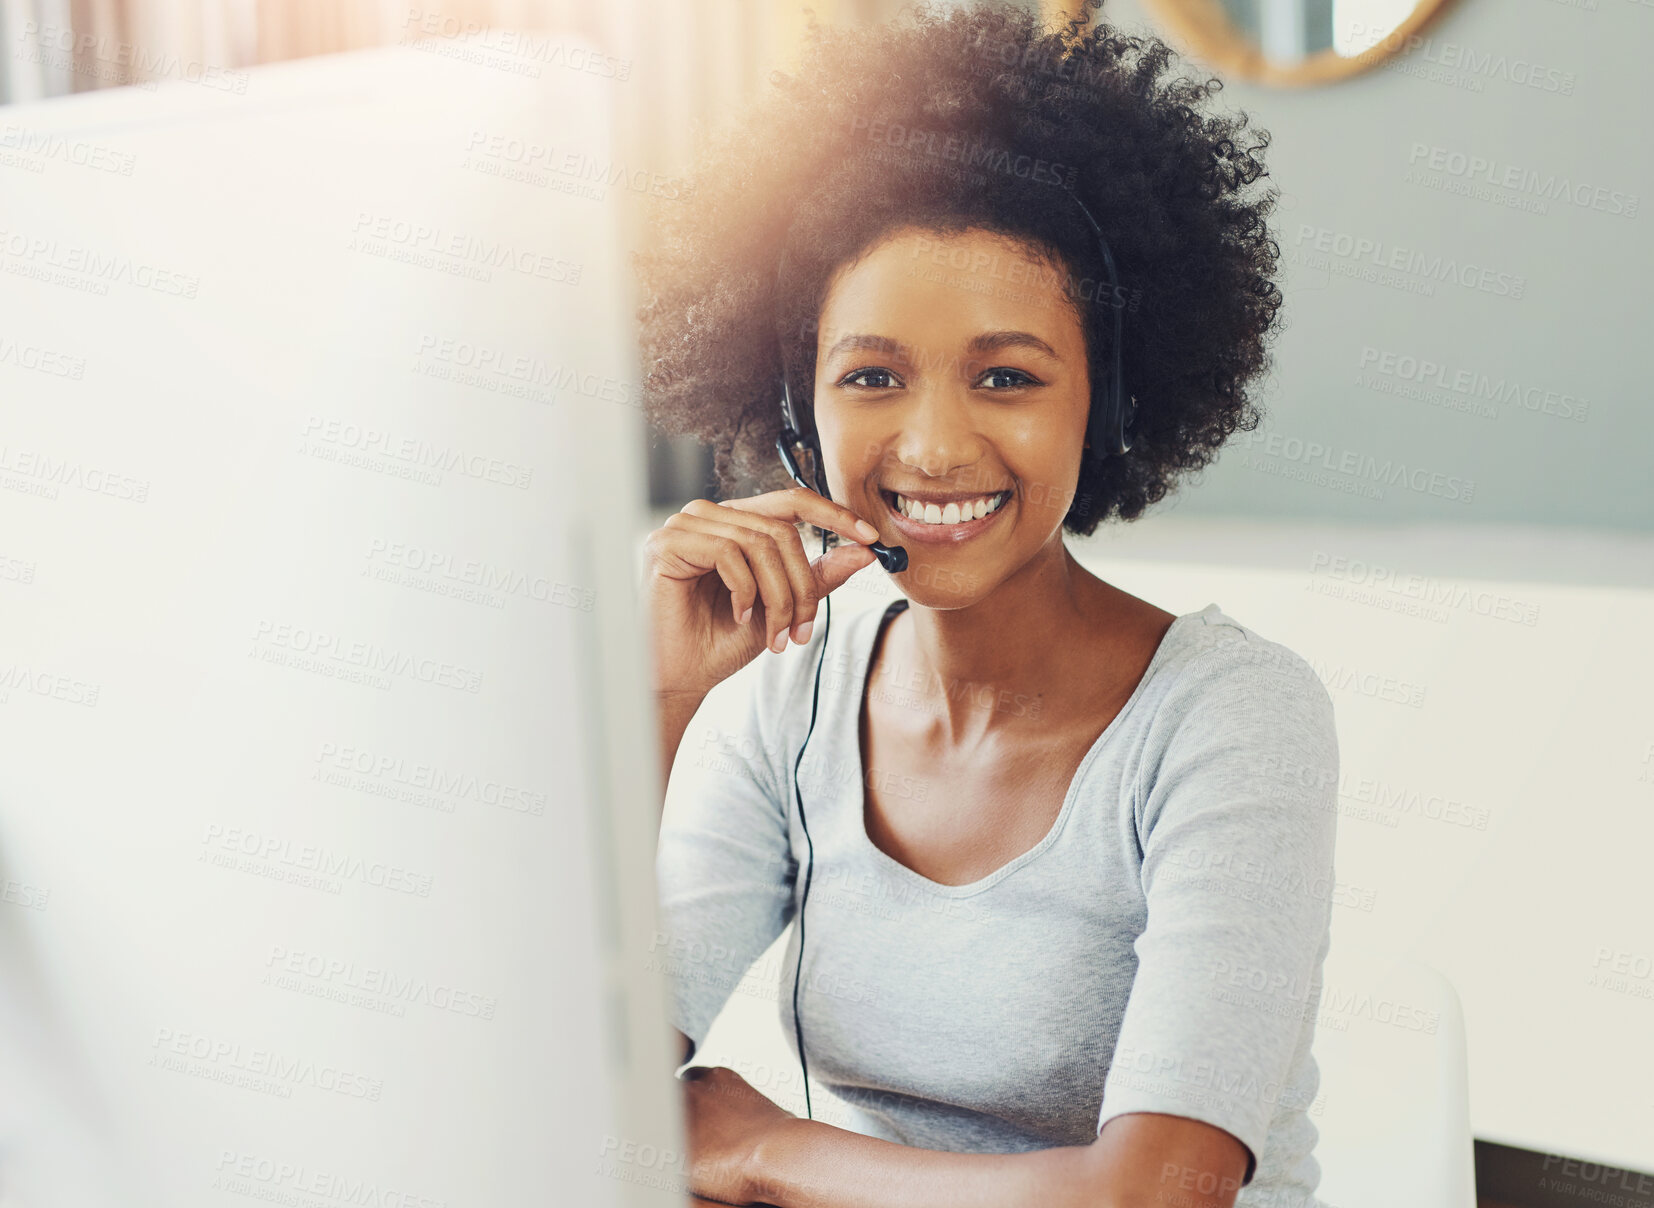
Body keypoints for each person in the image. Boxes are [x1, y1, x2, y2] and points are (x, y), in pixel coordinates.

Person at [634, 2, 1339, 1205]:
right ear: (796, 408)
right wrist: (661, 699)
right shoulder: (796, 688)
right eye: (871, 376)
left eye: (1005, 376)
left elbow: (1156, 1191)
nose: (932, 443)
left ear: (1105, 404)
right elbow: (587, 1070)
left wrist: (762, 1148)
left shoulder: (1232, 715)